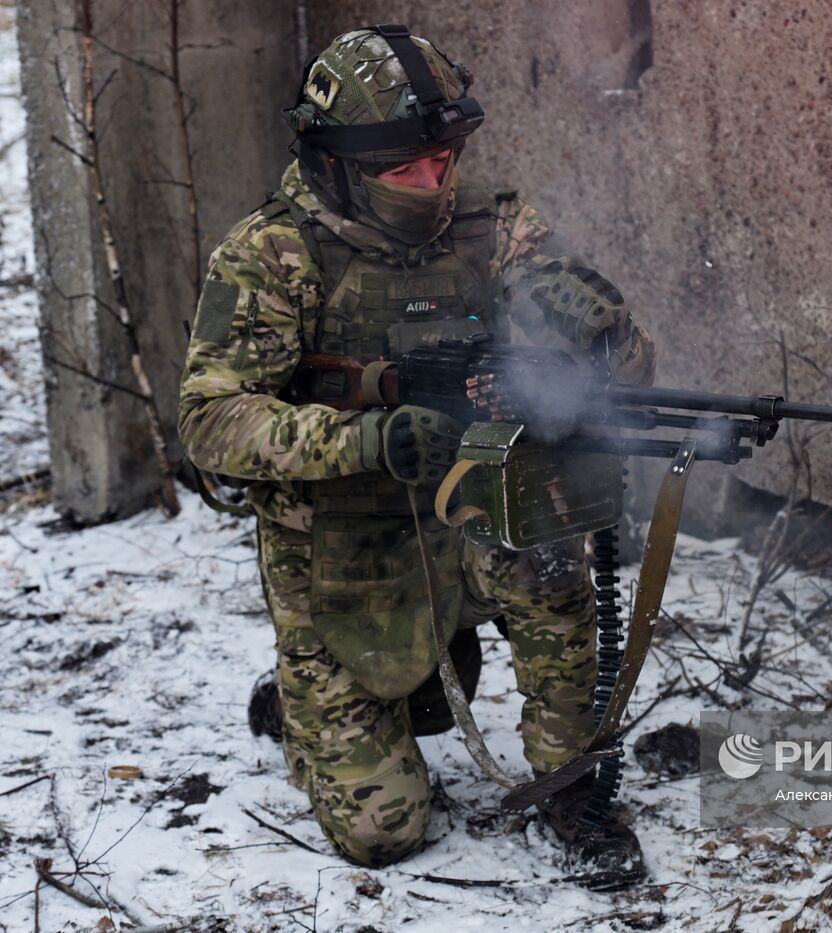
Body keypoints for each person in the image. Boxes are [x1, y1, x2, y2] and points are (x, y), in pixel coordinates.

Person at [177, 24, 654, 882]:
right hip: (341, 546)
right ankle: (306, 704)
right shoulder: (273, 254)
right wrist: (364, 438)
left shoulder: (491, 223)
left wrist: (596, 334)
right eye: (404, 168)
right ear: (337, 166)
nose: (431, 183)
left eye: (443, 160)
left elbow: (618, 347)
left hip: (471, 515)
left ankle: (570, 780)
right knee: (387, 833)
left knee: (549, 563)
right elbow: (210, 421)